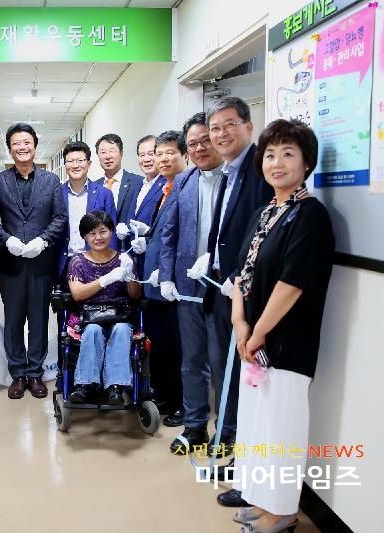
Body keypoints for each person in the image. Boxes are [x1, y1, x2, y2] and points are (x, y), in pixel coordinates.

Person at [226, 119, 334, 533]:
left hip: (286, 342)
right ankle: (261, 498)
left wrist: (258, 333)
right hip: (252, 339)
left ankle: (283, 510)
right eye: (270, 154)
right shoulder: (265, 212)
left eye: (288, 154)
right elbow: (242, 274)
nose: (277, 162)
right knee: (258, 426)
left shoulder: (311, 215)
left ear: (306, 163)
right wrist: (239, 322)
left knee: (281, 429)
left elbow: (292, 284)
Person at [203, 97, 274, 484]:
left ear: (248, 126)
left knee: (247, 378)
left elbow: (259, 234)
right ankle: (231, 442)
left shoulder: (260, 168)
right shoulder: (229, 171)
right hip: (223, 290)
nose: (221, 134)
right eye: (215, 128)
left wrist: (238, 276)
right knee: (225, 373)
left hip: (247, 293)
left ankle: (244, 457)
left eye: (229, 124)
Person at [156, 113, 226, 453]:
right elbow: (169, 233)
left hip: (223, 286)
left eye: (205, 141)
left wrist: (219, 260)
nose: (200, 148)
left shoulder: (236, 178)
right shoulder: (184, 181)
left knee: (221, 360)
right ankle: (195, 426)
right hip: (187, 285)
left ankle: (226, 431)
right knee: (192, 360)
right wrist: (166, 275)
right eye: (193, 143)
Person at [0, 123, 67, 400]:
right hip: (11, 263)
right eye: (16, 143)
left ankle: (35, 373)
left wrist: (43, 240)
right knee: (13, 320)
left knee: (38, 319)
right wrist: (6, 239)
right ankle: (17, 374)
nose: (22, 147)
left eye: (26, 143)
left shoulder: (51, 181)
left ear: (35, 146)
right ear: (10, 149)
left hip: (41, 263)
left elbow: (60, 217)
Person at [135, 130, 188, 422]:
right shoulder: (166, 188)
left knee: (178, 347)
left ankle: (183, 403)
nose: (163, 159)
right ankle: (166, 395)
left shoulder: (186, 187)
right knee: (161, 344)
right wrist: (147, 239)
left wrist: (168, 272)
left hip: (173, 285)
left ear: (184, 155)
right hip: (154, 284)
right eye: (159, 153)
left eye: (170, 153)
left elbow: (185, 237)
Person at [67, 211, 141, 404]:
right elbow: (77, 293)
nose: (98, 237)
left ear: (111, 232)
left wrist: (129, 275)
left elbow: (135, 295)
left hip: (120, 315)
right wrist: (105, 280)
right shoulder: (77, 261)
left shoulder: (123, 259)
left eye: (103, 231)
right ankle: (85, 385)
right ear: (84, 236)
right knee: (92, 331)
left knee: (121, 330)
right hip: (90, 317)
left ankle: (116, 387)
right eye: (92, 233)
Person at [58, 141, 117, 281]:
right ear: (65, 166)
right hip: (63, 262)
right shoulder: (56, 194)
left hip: (96, 260)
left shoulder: (104, 194)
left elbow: (112, 231)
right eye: (70, 161)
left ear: (89, 164)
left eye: (80, 160)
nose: (75, 165)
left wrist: (111, 264)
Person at [94, 133, 143, 223]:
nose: (108, 156)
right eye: (103, 152)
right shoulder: (93, 187)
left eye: (112, 151)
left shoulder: (139, 183)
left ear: (121, 153)